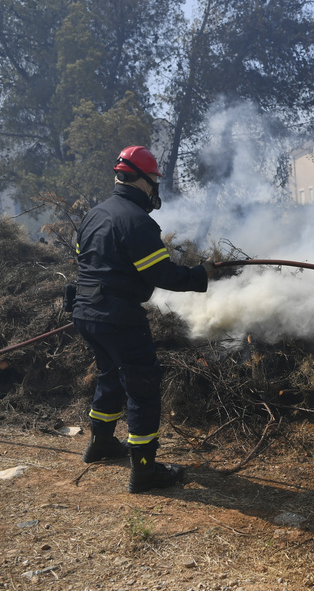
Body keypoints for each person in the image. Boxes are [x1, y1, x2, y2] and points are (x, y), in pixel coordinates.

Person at [71, 145, 225, 493]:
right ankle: (144, 471)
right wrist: (200, 274)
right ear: (141, 179)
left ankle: (100, 443)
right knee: (142, 387)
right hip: (119, 318)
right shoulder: (138, 221)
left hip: (85, 313)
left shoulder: (94, 215)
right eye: (154, 179)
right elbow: (162, 274)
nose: (155, 186)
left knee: (110, 373)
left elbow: (84, 260)